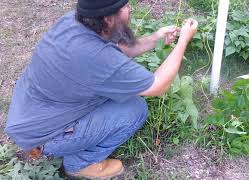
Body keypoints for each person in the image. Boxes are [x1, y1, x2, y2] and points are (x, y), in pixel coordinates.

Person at [5, 0, 198, 178]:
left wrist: (155, 38)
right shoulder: (97, 57)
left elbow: (119, 49)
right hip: (43, 137)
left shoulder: (72, 22)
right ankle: (80, 163)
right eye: (125, 7)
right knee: (134, 109)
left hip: (28, 116)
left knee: (112, 96)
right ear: (108, 18)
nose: (129, 9)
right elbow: (158, 85)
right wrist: (182, 42)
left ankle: (65, 143)